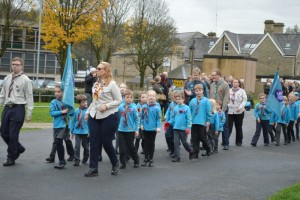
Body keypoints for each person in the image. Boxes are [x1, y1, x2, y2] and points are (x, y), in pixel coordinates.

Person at [84, 62, 122, 177]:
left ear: (105, 71)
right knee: (94, 142)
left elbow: (118, 100)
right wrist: (87, 112)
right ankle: (93, 168)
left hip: (109, 116)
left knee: (106, 141)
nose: (96, 70)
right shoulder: (96, 84)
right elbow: (94, 101)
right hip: (94, 115)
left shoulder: (112, 84)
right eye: (97, 68)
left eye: (99, 68)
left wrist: (107, 105)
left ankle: (115, 162)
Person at [0, 57, 34, 166]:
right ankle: (18, 148)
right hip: (7, 108)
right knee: (4, 133)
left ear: (21, 66)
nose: (14, 66)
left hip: (18, 108)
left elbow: (29, 97)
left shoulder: (26, 80)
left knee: (13, 134)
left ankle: (11, 157)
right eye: (13, 64)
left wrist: (29, 113)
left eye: (17, 64)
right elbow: (3, 94)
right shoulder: (7, 78)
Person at [49, 85, 71, 169]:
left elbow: (71, 112)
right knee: (60, 141)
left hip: (65, 125)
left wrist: (69, 111)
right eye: (55, 92)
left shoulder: (67, 102)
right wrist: (62, 112)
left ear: (63, 92)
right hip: (56, 125)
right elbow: (52, 113)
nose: (56, 93)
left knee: (59, 141)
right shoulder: (53, 102)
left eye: (59, 91)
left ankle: (62, 161)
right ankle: (71, 154)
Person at [118, 89, 140, 169]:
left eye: (131, 97)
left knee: (131, 147)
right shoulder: (120, 107)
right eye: (127, 97)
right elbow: (118, 117)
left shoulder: (134, 108)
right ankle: (122, 163)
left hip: (130, 130)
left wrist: (136, 129)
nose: (129, 99)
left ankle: (136, 160)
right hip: (121, 130)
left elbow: (136, 119)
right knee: (122, 148)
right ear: (124, 98)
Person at [169, 92, 193, 162]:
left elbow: (189, 118)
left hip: (183, 129)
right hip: (176, 128)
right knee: (176, 143)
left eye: (180, 99)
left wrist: (188, 127)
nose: (178, 100)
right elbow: (173, 118)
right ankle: (177, 156)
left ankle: (191, 150)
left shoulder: (186, 108)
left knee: (184, 142)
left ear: (183, 99)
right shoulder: (175, 108)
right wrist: (169, 122)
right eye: (177, 99)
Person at [189, 84, 212, 158]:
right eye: (196, 91)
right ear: (194, 92)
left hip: (202, 122)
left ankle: (208, 148)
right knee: (194, 138)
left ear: (202, 91)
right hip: (194, 122)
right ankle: (196, 152)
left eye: (200, 90)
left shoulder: (206, 101)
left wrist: (208, 120)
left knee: (202, 137)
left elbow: (209, 111)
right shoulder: (192, 100)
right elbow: (189, 111)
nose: (198, 92)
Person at [210, 69, 230, 150]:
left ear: (219, 75)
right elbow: (210, 96)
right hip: (213, 109)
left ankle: (226, 143)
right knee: (212, 126)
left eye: (214, 75)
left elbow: (226, 97)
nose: (213, 76)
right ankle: (213, 144)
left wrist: (223, 108)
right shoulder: (212, 84)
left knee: (224, 126)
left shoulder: (225, 84)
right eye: (212, 75)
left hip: (221, 108)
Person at [140, 90, 161, 167]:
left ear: (155, 98)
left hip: (153, 129)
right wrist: (141, 124)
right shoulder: (144, 107)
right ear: (147, 97)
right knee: (145, 143)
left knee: (151, 143)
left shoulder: (157, 108)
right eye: (150, 96)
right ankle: (146, 158)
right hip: (145, 128)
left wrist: (158, 127)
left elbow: (158, 118)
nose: (151, 97)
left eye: (153, 96)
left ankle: (151, 158)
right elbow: (141, 117)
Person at [70, 94, 90, 166]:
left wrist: (90, 131)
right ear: (79, 103)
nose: (85, 103)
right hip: (77, 131)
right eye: (83, 102)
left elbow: (91, 123)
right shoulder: (76, 111)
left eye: (86, 102)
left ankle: (85, 158)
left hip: (86, 132)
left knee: (86, 147)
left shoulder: (89, 111)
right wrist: (72, 131)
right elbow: (73, 121)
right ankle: (77, 160)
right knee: (77, 146)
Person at [227, 79, 247, 146]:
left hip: (239, 111)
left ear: (239, 83)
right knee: (228, 127)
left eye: (236, 82)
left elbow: (244, 100)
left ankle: (239, 141)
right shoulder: (229, 90)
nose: (234, 83)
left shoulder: (242, 91)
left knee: (238, 126)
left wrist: (240, 107)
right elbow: (226, 99)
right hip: (229, 111)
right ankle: (226, 140)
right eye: (233, 82)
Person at [164, 91, 177, 156]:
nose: (172, 98)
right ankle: (171, 148)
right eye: (171, 96)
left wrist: (170, 121)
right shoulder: (171, 103)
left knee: (174, 139)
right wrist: (166, 118)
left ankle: (175, 151)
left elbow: (176, 116)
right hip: (170, 123)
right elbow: (168, 111)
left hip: (175, 124)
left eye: (173, 96)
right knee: (167, 135)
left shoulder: (178, 105)